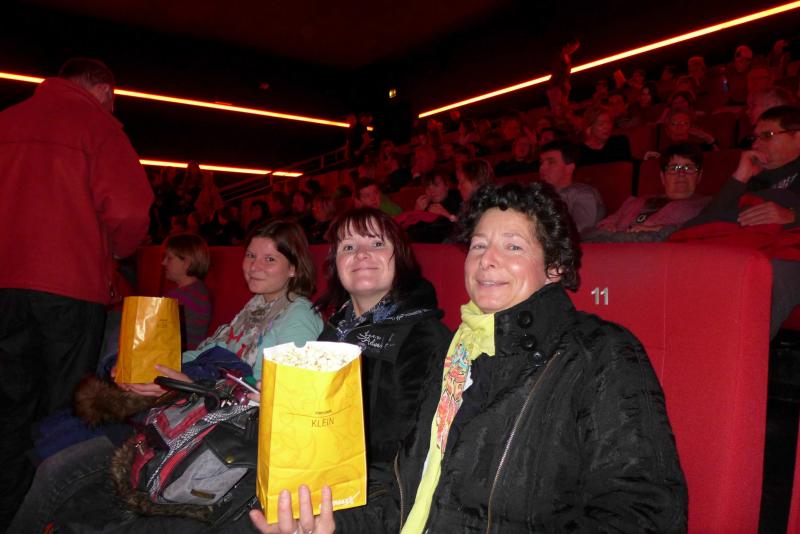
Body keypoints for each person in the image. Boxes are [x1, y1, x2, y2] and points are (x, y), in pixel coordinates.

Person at [255, 182, 688, 533]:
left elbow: (645, 512)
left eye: (513, 247)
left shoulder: (600, 353)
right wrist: (331, 524)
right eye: (479, 246)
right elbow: (406, 489)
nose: (487, 261)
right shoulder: (456, 353)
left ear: (554, 266)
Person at [9, 220, 324, 533]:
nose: (254, 267)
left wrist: (193, 387)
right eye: (251, 256)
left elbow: (268, 398)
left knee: (57, 472)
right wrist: (144, 366)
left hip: (215, 442)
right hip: (185, 417)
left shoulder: (299, 317)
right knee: (59, 460)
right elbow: (203, 353)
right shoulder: (257, 306)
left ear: (294, 268)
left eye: (269, 259)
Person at [0, 57, 153, 528]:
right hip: (69, 287)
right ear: (104, 90)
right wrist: (115, 251)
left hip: (5, 286)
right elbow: (130, 211)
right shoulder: (97, 125)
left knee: (8, 404)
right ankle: (49, 518)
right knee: (64, 409)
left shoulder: (7, 121)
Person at [315, 208, 452, 504]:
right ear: (336, 264)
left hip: (380, 494)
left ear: (400, 258)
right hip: (321, 473)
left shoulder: (426, 337)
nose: (361, 254)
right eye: (348, 247)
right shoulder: (336, 328)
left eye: (377, 243)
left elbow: (414, 453)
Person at [681, 105, 800, 339]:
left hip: (788, 255)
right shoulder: (754, 178)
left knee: (763, 275)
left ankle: (733, 354)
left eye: (767, 135)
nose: (756, 144)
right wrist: (740, 176)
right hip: (746, 250)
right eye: (755, 137)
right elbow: (706, 223)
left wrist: (793, 216)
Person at [586, 144, 710, 241]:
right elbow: (605, 223)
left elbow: (697, 231)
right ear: (662, 176)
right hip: (610, 247)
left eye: (689, 167)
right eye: (674, 168)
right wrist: (607, 226)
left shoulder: (706, 206)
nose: (681, 173)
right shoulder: (635, 201)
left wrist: (658, 229)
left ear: (699, 176)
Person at [539, 140, 605, 234]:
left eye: (551, 162)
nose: (542, 168)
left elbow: (579, 230)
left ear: (569, 168)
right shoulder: (539, 193)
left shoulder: (584, 194)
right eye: (541, 163)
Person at [161, 233, 212, 349]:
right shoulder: (197, 291)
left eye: (169, 258)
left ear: (186, 263)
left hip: (177, 355)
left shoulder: (183, 298)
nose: (163, 263)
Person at [547, 35, 580, 117]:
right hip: (556, 85)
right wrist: (564, 82)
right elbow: (557, 71)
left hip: (562, 86)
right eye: (574, 47)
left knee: (563, 107)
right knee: (558, 109)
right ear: (568, 45)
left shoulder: (566, 57)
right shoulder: (559, 56)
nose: (574, 50)